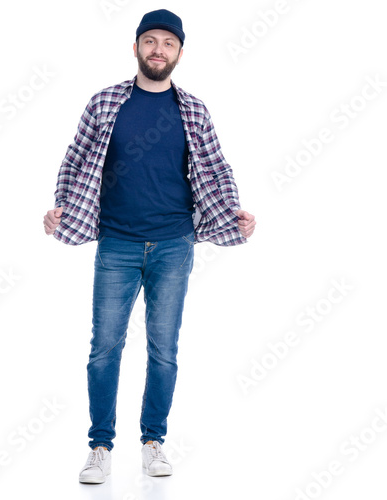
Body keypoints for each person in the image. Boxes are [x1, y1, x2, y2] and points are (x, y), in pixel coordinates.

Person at [43, 9, 256, 484]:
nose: (158, 49)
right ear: (136, 47)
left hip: (173, 245)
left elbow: (216, 170)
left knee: (164, 350)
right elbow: (74, 162)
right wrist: (58, 208)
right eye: (150, 41)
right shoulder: (104, 103)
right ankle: (99, 447)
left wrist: (236, 214)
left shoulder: (194, 109)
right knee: (104, 349)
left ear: (180, 52)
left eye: (168, 43)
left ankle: (153, 442)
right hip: (116, 243)